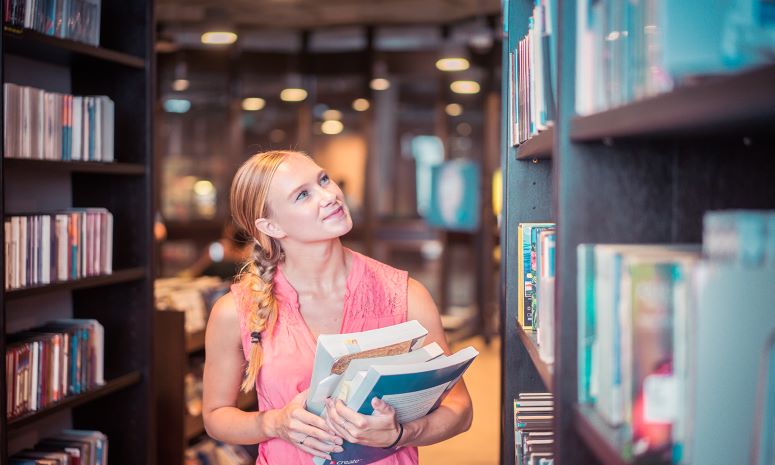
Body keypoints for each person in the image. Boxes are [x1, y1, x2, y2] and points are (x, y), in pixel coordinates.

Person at [202, 150, 473, 465]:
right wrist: (272, 423)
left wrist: (401, 433)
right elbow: (215, 415)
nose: (329, 195)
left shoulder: (407, 295)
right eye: (303, 195)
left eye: (324, 180)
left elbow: (460, 409)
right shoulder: (233, 312)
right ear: (272, 226)